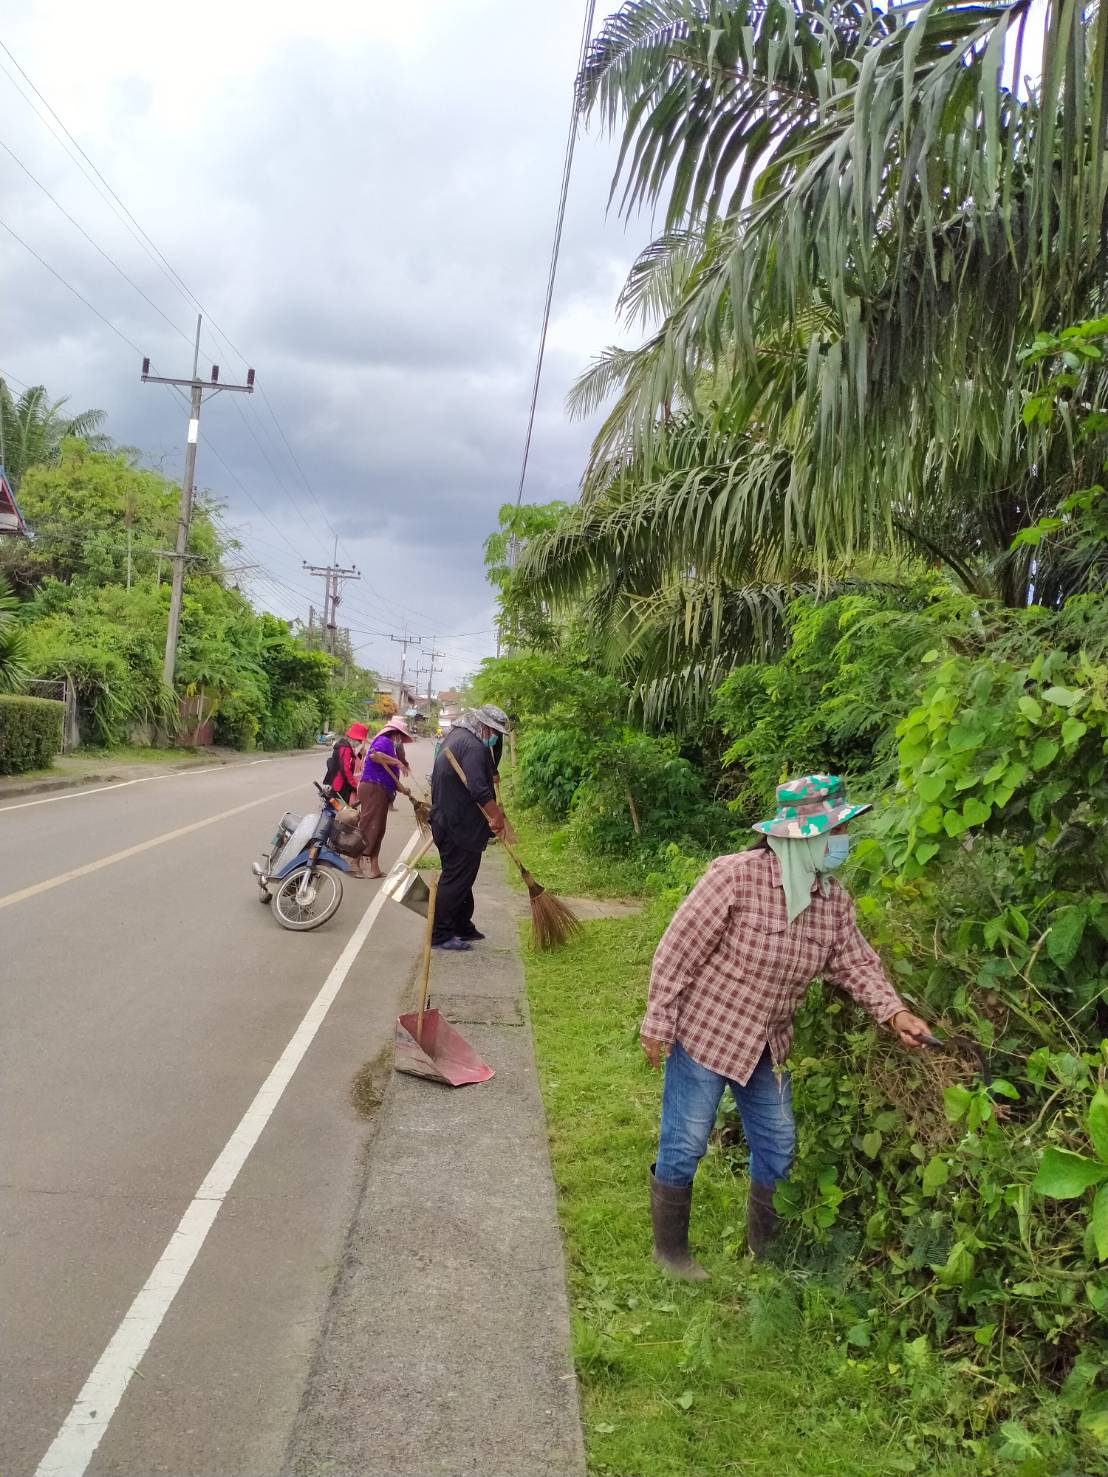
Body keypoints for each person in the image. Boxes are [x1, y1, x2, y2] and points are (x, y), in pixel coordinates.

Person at [641, 773, 932, 1280]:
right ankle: (671, 1253)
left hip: (768, 1044)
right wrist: (658, 1020)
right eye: (835, 832)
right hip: (708, 1033)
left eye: (842, 831)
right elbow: (677, 950)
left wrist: (895, 1013)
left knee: (778, 1146)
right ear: (801, 835)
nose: (842, 842)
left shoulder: (832, 901)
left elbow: (857, 963)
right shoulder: (734, 877)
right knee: (685, 1142)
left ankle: (768, 1254)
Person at [429, 707, 510, 951]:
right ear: (486, 727)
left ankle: (462, 924)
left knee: (463, 876)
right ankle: (440, 933)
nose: (496, 738)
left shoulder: (458, 737)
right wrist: (497, 818)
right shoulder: (472, 746)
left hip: (451, 820)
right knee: (456, 878)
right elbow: (479, 789)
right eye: (495, 732)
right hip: (456, 825)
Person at [356, 716, 414, 879]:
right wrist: (397, 762)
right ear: (395, 734)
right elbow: (375, 756)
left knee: (378, 829)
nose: (400, 740)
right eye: (400, 737)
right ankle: (354, 861)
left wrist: (404, 790)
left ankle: (374, 868)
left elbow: (390, 777)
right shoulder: (383, 741)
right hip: (373, 787)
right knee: (369, 826)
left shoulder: (391, 746)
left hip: (382, 789)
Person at [323, 722, 367, 806]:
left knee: (340, 811)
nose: (360, 743)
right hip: (340, 787)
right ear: (352, 739)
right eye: (359, 740)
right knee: (342, 812)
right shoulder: (345, 748)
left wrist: (361, 755)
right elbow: (345, 769)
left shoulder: (346, 747)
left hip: (339, 785)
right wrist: (354, 785)